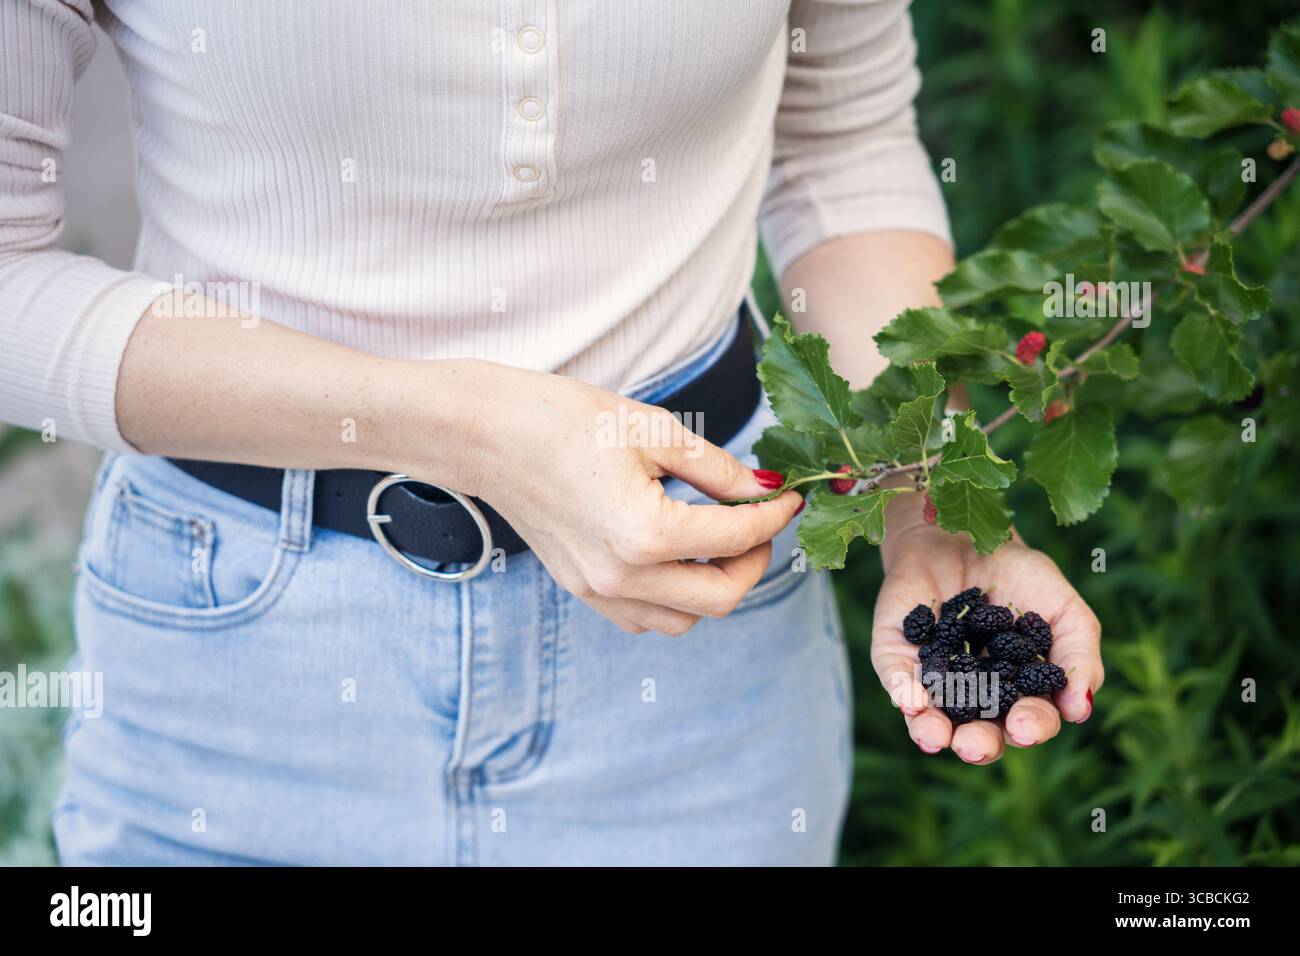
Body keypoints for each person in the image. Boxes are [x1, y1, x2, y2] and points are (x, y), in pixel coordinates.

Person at [0, 0, 1101, 865]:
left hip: (701, 662)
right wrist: (465, 429)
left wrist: (925, 501)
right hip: (236, 678)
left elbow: (839, 148)